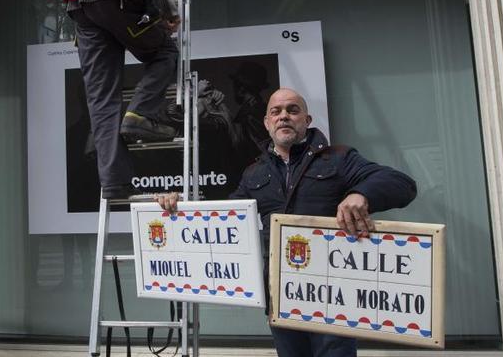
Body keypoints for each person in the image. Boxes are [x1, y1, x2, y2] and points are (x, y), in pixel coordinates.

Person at [158, 88, 417, 357]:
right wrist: (178, 210)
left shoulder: (339, 158)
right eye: (276, 112)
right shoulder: (253, 173)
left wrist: (361, 194)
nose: (284, 116)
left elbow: (403, 185)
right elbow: (223, 221)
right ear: (267, 124)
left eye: (293, 110)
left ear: (307, 120)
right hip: (280, 294)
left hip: (332, 295)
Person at [56, 0, 180, 200]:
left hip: (83, 5)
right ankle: (141, 114)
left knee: (101, 97)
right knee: (165, 53)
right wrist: (168, 10)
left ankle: (114, 183)